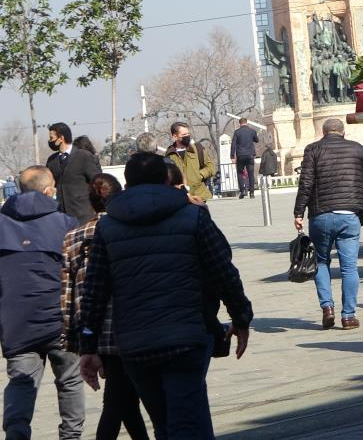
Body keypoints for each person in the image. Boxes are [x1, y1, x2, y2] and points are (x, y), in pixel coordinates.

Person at [78, 152, 253, 439]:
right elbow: (223, 271)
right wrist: (241, 316)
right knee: (188, 421)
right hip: (185, 337)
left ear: (128, 183)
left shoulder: (108, 227)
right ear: (166, 179)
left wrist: (88, 345)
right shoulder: (193, 216)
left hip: (135, 344)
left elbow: (95, 290)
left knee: (164, 423)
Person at [61, 174, 149, 440]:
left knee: (122, 397)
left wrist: (70, 333)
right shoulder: (130, 229)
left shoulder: (74, 237)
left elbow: (67, 290)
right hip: (130, 322)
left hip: (92, 326)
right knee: (118, 400)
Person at [1, 166, 83, 439]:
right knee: (70, 380)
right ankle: (70, 436)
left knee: (21, 383)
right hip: (60, 320)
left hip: (16, 322)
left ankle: (16, 433)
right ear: (50, 190)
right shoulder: (66, 223)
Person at [293, 119, 363, 331]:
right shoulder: (357, 149)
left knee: (321, 262)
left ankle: (327, 307)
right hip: (349, 214)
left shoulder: (313, 149)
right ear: (343, 132)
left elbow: (306, 183)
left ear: (323, 132)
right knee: (349, 267)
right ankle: (348, 316)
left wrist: (298, 212)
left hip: (321, 215)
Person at [46, 122, 102, 225]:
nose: (50, 141)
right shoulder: (51, 161)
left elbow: (98, 182)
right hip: (63, 218)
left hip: (84, 216)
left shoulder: (83, 156)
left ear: (61, 138)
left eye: (51, 137)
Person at [165, 121, 217, 202]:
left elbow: (211, 167)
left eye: (188, 134)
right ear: (175, 136)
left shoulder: (197, 148)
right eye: (184, 135)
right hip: (180, 197)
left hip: (199, 196)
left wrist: (199, 175)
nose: (187, 136)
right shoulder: (169, 154)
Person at [231, 118, 259, 199]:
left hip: (240, 156)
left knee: (239, 173)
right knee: (251, 174)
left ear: (239, 123)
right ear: (247, 122)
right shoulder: (252, 131)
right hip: (250, 155)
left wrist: (232, 156)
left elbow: (233, 145)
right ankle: (252, 193)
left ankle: (242, 191)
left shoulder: (237, 132)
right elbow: (257, 140)